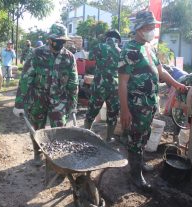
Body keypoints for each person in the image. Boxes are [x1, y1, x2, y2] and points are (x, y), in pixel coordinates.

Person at [118, 11, 187, 191]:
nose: (152, 30)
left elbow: (161, 72)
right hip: (135, 106)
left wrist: (177, 84)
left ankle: (139, 164)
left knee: (145, 135)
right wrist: (124, 110)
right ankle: (135, 174)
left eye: (153, 27)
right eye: (149, 27)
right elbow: (123, 83)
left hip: (149, 104)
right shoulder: (129, 50)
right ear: (139, 29)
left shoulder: (149, 48)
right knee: (135, 139)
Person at [13, 23, 79, 166]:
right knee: (36, 128)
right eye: (57, 40)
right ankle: (38, 153)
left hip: (59, 99)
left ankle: (57, 158)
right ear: (49, 39)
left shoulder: (69, 57)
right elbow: (26, 79)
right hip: (38, 97)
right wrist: (19, 104)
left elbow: (73, 83)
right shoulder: (36, 54)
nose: (60, 43)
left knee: (60, 129)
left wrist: (73, 105)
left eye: (63, 41)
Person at [84, 30, 121, 142]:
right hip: (114, 87)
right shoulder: (120, 51)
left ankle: (86, 137)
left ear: (107, 38)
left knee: (92, 110)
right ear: (117, 40)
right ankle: (109, 138)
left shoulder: (99, 46)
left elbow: (90, 57)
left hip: (99, 84)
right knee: (112, 113)